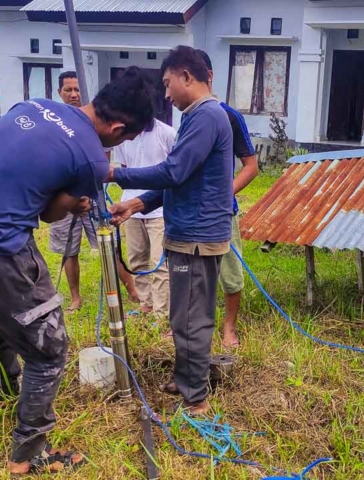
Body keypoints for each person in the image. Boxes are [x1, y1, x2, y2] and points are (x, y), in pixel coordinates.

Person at [0, 66, 155, 475]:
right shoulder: (90, 160)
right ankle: (28, 455)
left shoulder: (36, 105)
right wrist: (76, 204)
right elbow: (49, 214)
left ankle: (7, 400)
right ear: (119, 127)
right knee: (48, 350)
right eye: (128, 139)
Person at [107, 46, 234, 416]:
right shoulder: (196, 118)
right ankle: (185, 377)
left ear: (186, 77)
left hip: (197, 237)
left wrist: (115, 173)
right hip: (187, 232)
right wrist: (136, 203)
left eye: (167, 84)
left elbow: (174, 171)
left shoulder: (207, 116)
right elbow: (180, 179)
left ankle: (196, 398)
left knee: (192, 316)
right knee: (182, 314)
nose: (165, 95)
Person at [50, 71, 140, 311]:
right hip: (62, 196)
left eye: (77, 89)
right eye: (68, 89)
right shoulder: (56, 120)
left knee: (107, 243)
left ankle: (132, 291)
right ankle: (76, 298)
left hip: (93, 196)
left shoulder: (96, 123)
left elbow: (103, 162)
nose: (73, 94)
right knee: (69, 250)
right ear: (59, 92)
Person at [196, 49, 259, 348]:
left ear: (208, 76)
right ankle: (194, 327)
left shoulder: (229, 116)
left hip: (222, 212)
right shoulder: (185, 118)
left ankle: (229, 327)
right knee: (193, 275)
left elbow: (251, 166)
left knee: (231, 273)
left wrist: (225, 193)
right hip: (190, 213)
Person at [114, 117, 176, 317]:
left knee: (159, 262)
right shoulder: (123, 136)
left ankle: (161, 312)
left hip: (159, 207)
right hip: (129, 207)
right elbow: (125, 169)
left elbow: (174, 171)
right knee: (136, 259)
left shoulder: (166, 133)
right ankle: (145, 303)